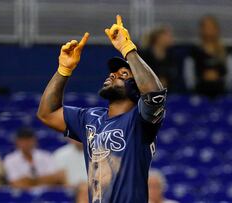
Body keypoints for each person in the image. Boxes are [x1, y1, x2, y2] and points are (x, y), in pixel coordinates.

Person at [37, 15, 166, 202]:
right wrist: (63, 71)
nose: (113, 76)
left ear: (137, 89)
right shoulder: (90, 118)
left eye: (123, 74)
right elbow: (46, 114)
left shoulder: (140, 121)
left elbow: (155, 94)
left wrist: (128, 49)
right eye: (112, 73)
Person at [185, 15, 227, 98]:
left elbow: (228, 75)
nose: (208, 30)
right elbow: (189, 77)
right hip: (200, 92)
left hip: (221, 93)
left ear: (216, 29)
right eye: (205, 27)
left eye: (211, 27)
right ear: (201, 30)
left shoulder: (225, 51)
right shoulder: (194, 51)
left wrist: (218, 78)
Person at [141, 26, 179, 92]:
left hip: (169, 92)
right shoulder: (144, 55)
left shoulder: (172, 55)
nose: (171, 38)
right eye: (168, 35)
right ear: (158, 38)